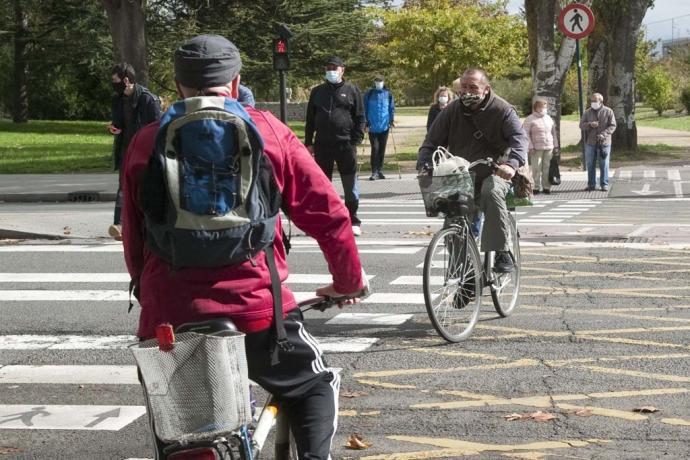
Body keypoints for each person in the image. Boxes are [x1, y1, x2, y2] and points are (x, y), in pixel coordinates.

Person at [121, 35, 366, 459]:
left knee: (180, 431)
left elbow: (134, 235)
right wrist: (347, 281)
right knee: (314, 384)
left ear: (178, 86)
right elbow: (329, 215)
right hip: (256, 308)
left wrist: (148, 294)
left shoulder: (146, 141)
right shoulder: (269, 132)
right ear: (235, 83)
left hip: (170, 314)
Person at [418, 68, 528, 273]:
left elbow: (520, 139)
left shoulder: (503, 110)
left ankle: (501, 251)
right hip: (461, 172)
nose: (467, 92)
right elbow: (431, 142)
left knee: (492, 192)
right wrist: (424, 164)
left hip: (496, 171)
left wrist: (511, 164)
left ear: (486, 89)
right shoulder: (451, 110)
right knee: (453, 221)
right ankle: (465, 276)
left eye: (473, 88)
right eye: (464, 87)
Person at [304, 56, 366, 236]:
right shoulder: (317, 92)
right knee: (323, 184)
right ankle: (325, 218)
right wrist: (309, 142)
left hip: (345, 144)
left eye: (334, 68)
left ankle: (353, 218)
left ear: (342, 70)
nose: (331, 71)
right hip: (323, 144)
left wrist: (356, 139)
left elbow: (360, 117)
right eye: (328, 67)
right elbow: (310, 119)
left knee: (350, 183)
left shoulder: (352, 90)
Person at [108, 63, 161, 241]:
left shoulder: (148, 99)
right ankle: (119, 225)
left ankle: (146, 225)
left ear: (126, 80)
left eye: (115, 81)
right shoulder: (117, 99)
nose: (113, 84)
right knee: (123, 186)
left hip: (143, 151)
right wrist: (113, 129)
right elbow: (118, 124)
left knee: (144, 187)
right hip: (125, 148)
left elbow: (156, 128)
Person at [579, 92, 616, 191]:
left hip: (604, 143)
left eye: (595, 101)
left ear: (601, 101)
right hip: (590, 142)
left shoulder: (608, 111)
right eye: (592, 101)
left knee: (604, 164)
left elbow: (613, 125)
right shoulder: (587, 112)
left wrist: (604, 134)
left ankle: (604, 184)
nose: (593, 103)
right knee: (590, 164)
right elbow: (581, 125)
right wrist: (590, 124)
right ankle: (591, 184)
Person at [522, 97, 559, 195]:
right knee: (536, 168)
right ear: (536, 107)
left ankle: (546, 187)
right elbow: (525, 134)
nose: (543, 109)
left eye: (545, 107)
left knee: (547, 167)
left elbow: (553, 133)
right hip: (536, 148)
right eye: (541, 107)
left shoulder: (548, 118)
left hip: (549, 147)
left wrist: (556, 146)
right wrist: (530, 147)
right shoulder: (530, 119)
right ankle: (536, 187)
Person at [363, 76, 395, 181]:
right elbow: (364, 108)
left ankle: (380, 170)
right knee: (375, 149)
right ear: (374, 82)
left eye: (380, 81)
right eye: (377, 81)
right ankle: (374, 171)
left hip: (384, 126)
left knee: (382, 149)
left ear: (383, 82)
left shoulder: (388, 94)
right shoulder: (369, 94)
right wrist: (365, 122)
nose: (378, 83)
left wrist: (391, 120)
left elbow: (391, 108)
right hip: (372, 127)